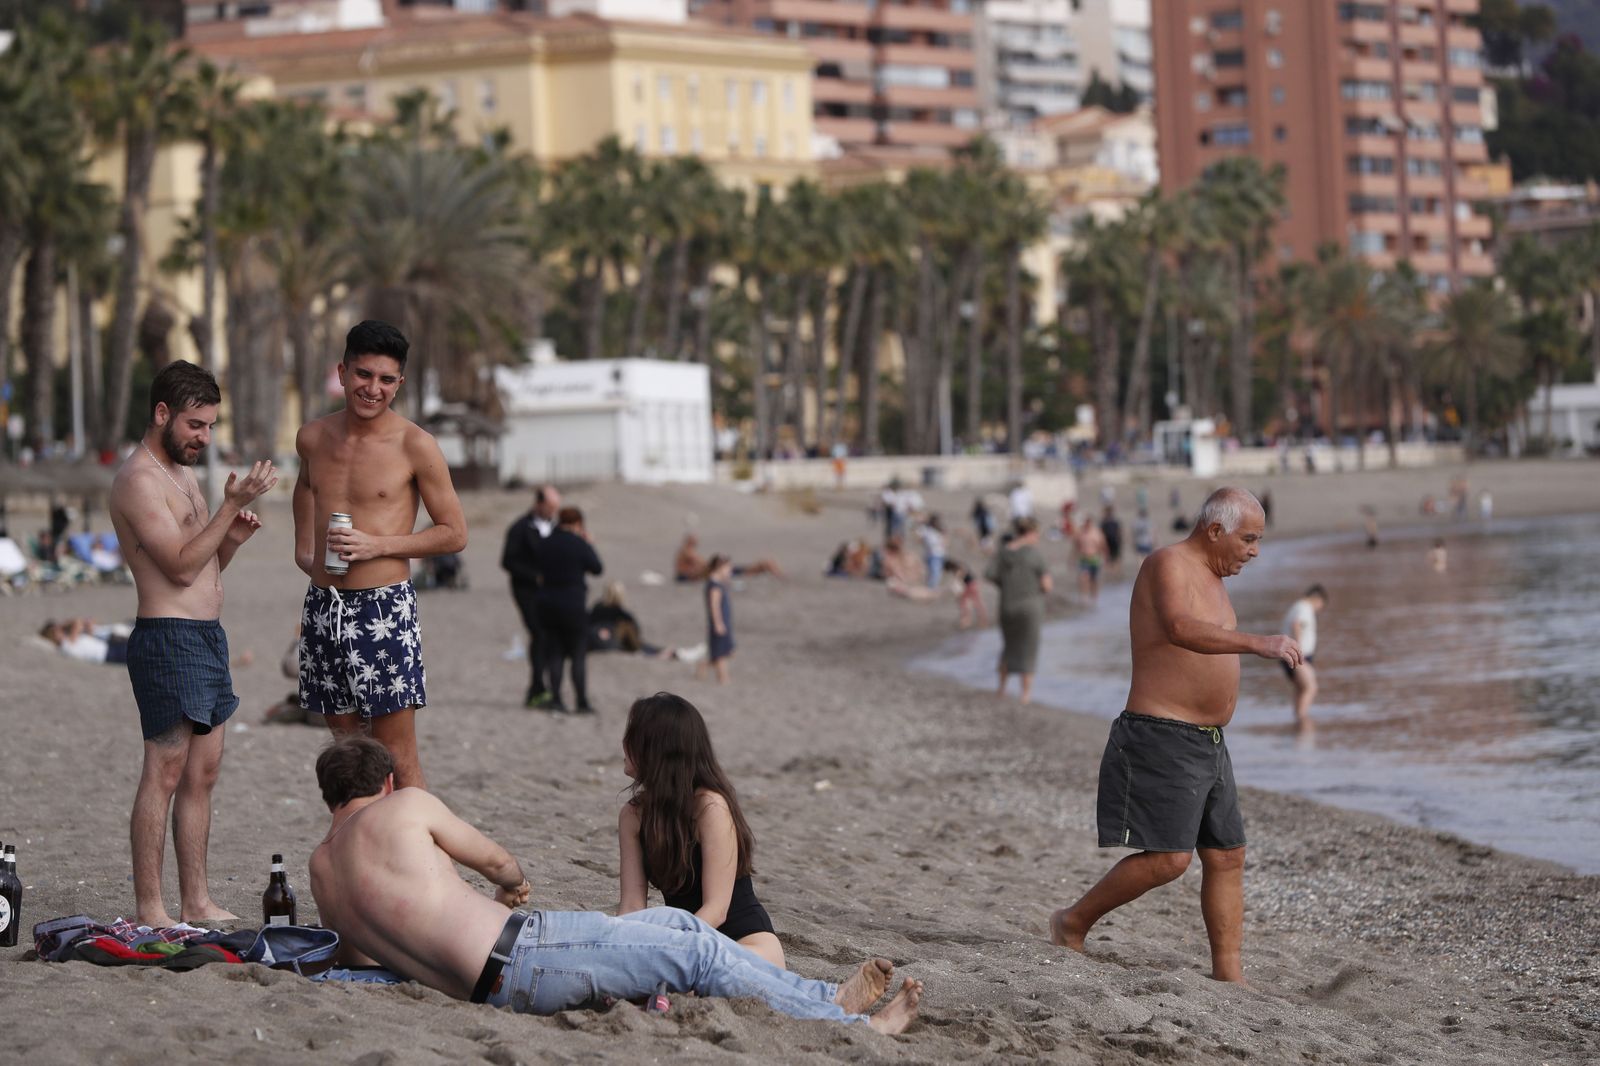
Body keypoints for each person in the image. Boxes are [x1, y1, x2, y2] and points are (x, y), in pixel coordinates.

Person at [308, 736, 922, 1032]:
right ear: (385, 783)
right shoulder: (407, 805)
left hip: (481, 986)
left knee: (679, 926)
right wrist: (512, 888)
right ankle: (851, 1022)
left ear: (331, 796)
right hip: (523, 953)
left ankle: (821, 996)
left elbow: (362, 958)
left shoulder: (321, 867)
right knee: (696, 948)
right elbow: (498, 861)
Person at [1049, 487, 1300, 984]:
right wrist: (1259, 642)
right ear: (1214, 530)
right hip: (1162, 731)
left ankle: (1229, 977)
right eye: (1248, 539)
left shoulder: (1214, 577)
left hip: (1208, 740)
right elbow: (1180, 628)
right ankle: (1071, 922)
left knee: (1228, 855)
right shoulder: (1167, 563)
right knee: (1169, 859)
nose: (1254, 551)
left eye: (1259, 541)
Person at [109, 360, 279, 926]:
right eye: (196, 425)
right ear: (162, 414)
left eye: (210, 426)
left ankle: (196, 901)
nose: (204, 438)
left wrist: (230, 537)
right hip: (166, 639)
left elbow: (206, 570)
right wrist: (230, 504)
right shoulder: (138, 480)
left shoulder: (181, 475)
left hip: (206, 639)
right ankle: (151, 907)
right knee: (165, 770)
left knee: (202, 776)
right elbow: (179, 571)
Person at [293, 320, 468, 790]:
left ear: (400, 384)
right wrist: (304, 549)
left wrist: (378, 545)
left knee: (397, 755)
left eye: (386, 380)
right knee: (346, 755)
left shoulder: (416, 445)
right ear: (343, 372)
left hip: (383, 608)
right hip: (324, 608)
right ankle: (363, 856)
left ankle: (416, 860)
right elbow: (306, 485)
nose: (373, 389)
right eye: (364, 375)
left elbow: (454, 533)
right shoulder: (312, 437)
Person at [617, 693, 784, 967]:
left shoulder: (710, 807)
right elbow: (632, 907)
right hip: (690, 945)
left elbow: (716, 910)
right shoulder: (632, 815)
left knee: (702, 967)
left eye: (632, 735)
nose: (623, 743)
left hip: (746, 945)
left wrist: (666, 947)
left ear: (656, 748)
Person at [533, 506, 603, 714]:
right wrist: (588, 544)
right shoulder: (579, 543)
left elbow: (536, 568)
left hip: (547, 604)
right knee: (578, 655)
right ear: (578, 524)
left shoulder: (545, 543)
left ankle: (556, 699)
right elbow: (597, 568)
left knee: (555, 654)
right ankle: (581, 701)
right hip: (573, 604)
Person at [501, 485, 561, 708]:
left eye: (556, 507)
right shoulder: (519, 528)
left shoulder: (555, 528)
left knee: (547, 637)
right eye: (550, 506)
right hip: (526, 591)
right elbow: (507, 561)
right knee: (539, 633)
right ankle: (537, 687)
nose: (552, 511)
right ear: (539, 503)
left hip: (550, 593)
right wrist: (534, 576)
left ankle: (539, 687)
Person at [986, 517, 1052, 704]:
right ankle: (1025, 694)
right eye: (1037, 534)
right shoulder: (1034, 554)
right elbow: (1047, 585)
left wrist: (1006, 585)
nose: (1038, 538)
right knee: (1029, 648)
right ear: (1030, 533)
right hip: (1030, 606)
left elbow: (990, 574)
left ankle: (1001, 688)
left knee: (1008, 646)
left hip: (1007, 605)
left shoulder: (1003, 552)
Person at [1282, 585, 1328, 729]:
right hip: (1297, 655)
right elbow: (1297, 624)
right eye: (1321, 605)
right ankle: (1302, 719)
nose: (1320, 609)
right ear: (1317, 599)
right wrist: (1299, 650)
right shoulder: (1304, 607)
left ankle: (1297, 721)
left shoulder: (1298, 606)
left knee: (1301, 689)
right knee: (1311, 687)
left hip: (1292, 655)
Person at [674, 533, 783, 583]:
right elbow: (702, 563)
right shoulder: (687, 552)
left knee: (741, 570)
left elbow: (702, 564)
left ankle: (765, 567)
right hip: (688, 577)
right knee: (742, 570)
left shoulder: (685, 552)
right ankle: (766, 567)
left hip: (694, 575)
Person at [700, 555, 735, 684]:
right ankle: (723, 678)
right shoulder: (714, 586)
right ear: (719, 568)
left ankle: (704, 665)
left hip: (723, 621)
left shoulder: (719, 583)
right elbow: (714, 607)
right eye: (728, 568)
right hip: (719, 623)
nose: (730, 571)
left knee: (728, 651)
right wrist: (718, 623)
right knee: (721, 653)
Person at [39, 618, 132, 665]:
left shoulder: (68, 640)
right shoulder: (64, 646)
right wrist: (62, 626)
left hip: (107, 647)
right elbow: (77, 622)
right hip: (106, 653)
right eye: (54, 631)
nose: (58, 632)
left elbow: (81, 624)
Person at [1074, 516, 1108, 603]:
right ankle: (1084, 596)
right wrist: (1073, 557)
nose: (1087, 525)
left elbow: (1103, 545)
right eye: (1086, 523)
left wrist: (1105, 557)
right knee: (1084, 578)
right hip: (1084, 558)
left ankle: (1094, 597)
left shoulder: (1096, 533)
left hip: (1094, 559)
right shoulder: (1081, 533)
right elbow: (1076, 545)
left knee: (1094, 579)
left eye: (1088, 523)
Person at [946, 559, 989, 630]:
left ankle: (967, 621)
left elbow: (961, 574)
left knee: (965, 603)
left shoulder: (958, 568)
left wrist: (958, 580)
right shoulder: (960, 565)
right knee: (976, 602)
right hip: (973, 584)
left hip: (970, 585)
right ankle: (982, 620)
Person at [918, 515, 946, 590]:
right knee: (934, 572)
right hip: (932, 554)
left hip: (939, 553)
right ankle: (931, 588)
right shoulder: (927, 530)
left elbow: (945, 542)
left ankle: (932, 587)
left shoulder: (938, 531)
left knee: (937, 572)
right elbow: (919, 537)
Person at [1099, 505, 1123, 580]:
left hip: (1113, 541)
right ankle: (1112, 572)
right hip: (1109, 541)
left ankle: (1115, 572)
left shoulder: (1111, 522)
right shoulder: (1105, 522)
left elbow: (1119, 531)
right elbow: (1101, 533)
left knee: (1114, 557)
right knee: (1110, 557)